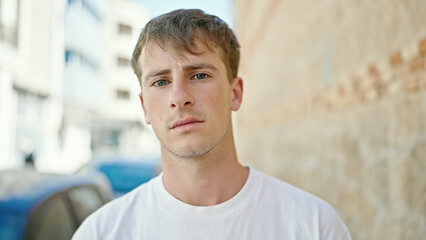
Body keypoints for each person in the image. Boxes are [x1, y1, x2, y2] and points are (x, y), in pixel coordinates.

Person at [73, 9, 351, 239]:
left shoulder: (314, 225)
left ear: (236, 93)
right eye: (160, 81)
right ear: (145, 107)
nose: (179, 97)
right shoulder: (101, 233)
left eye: (199, 75)